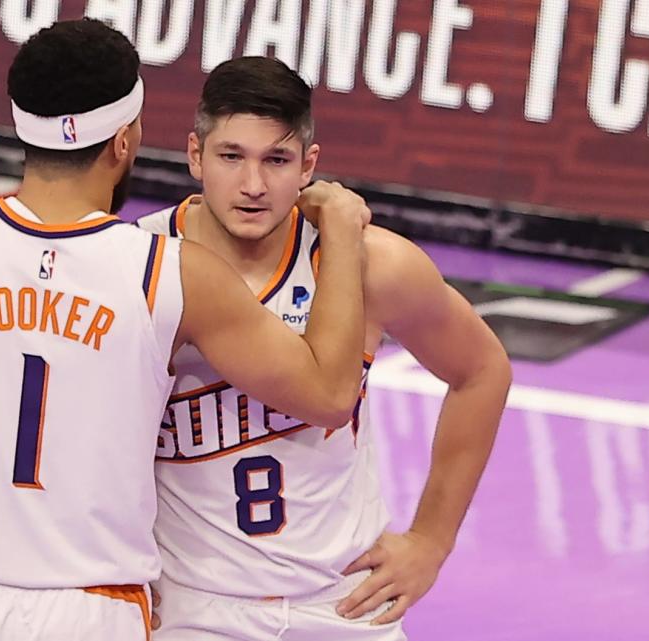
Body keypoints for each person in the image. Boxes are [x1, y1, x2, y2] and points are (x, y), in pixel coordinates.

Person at [0, 21, 371, 641]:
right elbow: (330, 395)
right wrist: (339, 228)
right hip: (97, 610)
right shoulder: (170, 271)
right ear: (125, 139)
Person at [136, 56, 512, 640]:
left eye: (277, 160)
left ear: (309, 165)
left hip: (342, 606)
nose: (253, 185)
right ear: (194, 155)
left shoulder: (370, 263)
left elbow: (482, 371)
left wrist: (430, 543)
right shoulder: (139, 264)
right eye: (231, 156)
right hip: (189, 609)